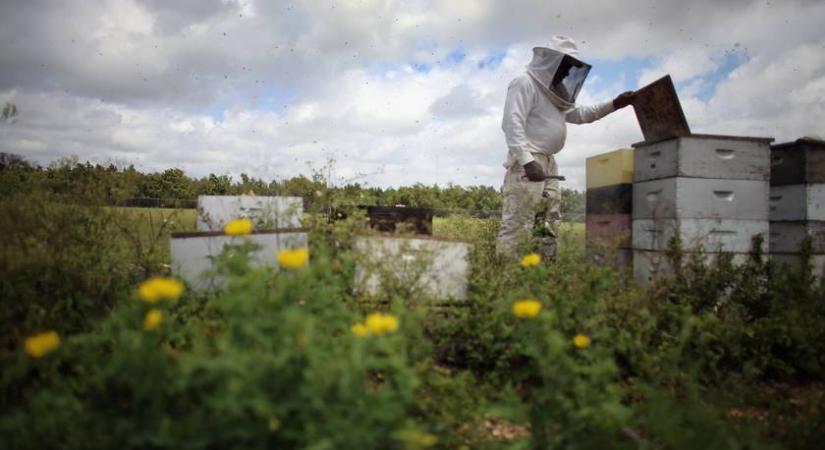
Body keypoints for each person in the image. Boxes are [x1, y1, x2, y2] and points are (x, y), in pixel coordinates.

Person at [497, 35, 634, 261]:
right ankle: (507, 275)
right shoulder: (524, 83)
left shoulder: (556, 95)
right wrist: (527, 161)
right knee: (518, 224)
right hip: (527, 163)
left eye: (571, 68)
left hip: (548, 162)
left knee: (549, 223)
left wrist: (615, 104)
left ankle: (544, 272)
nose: (568, 73)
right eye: (566, 66)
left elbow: (581, 115)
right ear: (551, 62)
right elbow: (511, 123)